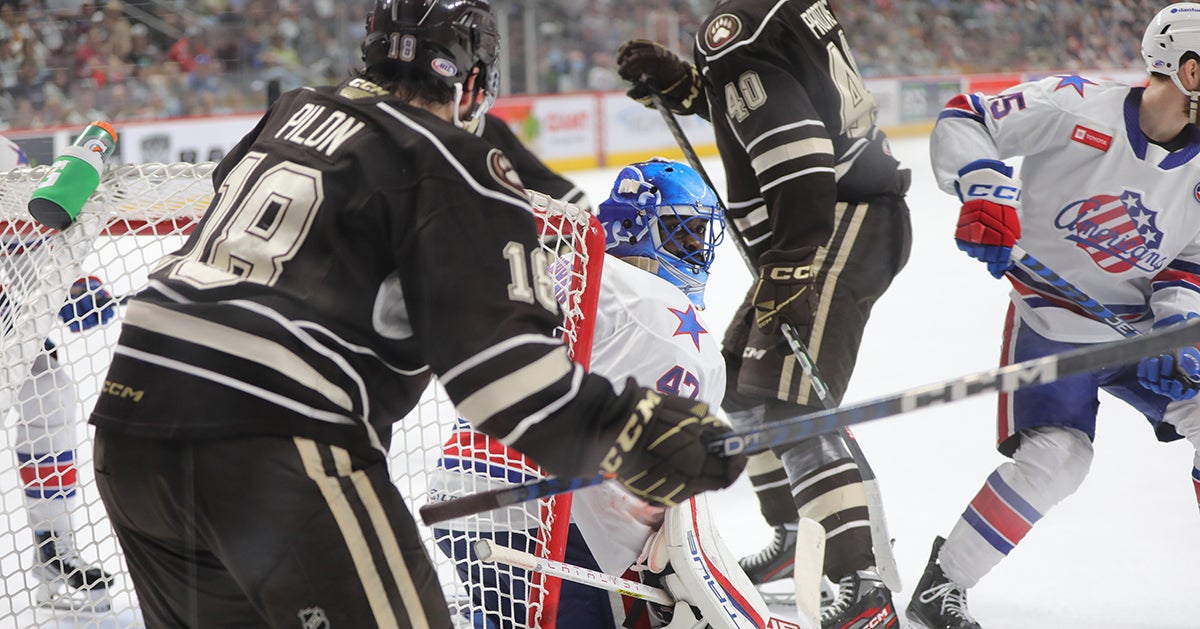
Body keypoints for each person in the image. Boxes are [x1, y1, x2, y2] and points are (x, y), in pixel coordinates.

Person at [84, 1, 746, 627]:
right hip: (273, 439)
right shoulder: (455, 161)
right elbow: (503, 379)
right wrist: (634, 430)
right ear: (473, 80)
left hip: (129, 428)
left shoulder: (290, 110)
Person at [615, 1, 912, 626]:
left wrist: (792, 264)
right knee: (741, 383)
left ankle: (862, 585)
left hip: (833, 222)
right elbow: (778, 104)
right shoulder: (782, 9)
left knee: (791, 401)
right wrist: (689, 88)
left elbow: (800, 155)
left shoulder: (737, 24)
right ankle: (797, 536)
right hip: (840, 218)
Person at [905, 5, 1200, 628]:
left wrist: (1178, 329)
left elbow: (1190, 263)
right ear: (1189, 71)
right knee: (1059, 458)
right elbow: (967, 116)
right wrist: (981, 187)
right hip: (1053, 323)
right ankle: (944, 584)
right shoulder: (1076, 107)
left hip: (1143, 330)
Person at [433, 158, 776, 629]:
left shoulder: (567, 268)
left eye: (701, 234)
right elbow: (650, 475)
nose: (697, 249)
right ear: (634, 228)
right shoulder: (662, 313)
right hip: (535, 516)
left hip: (461, 487)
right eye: (682, 233)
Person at [0, 136, 118, 611]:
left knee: (47, 388)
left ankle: (53, 548)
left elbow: (25, 249)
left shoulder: (6, 156)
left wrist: (70, 289)